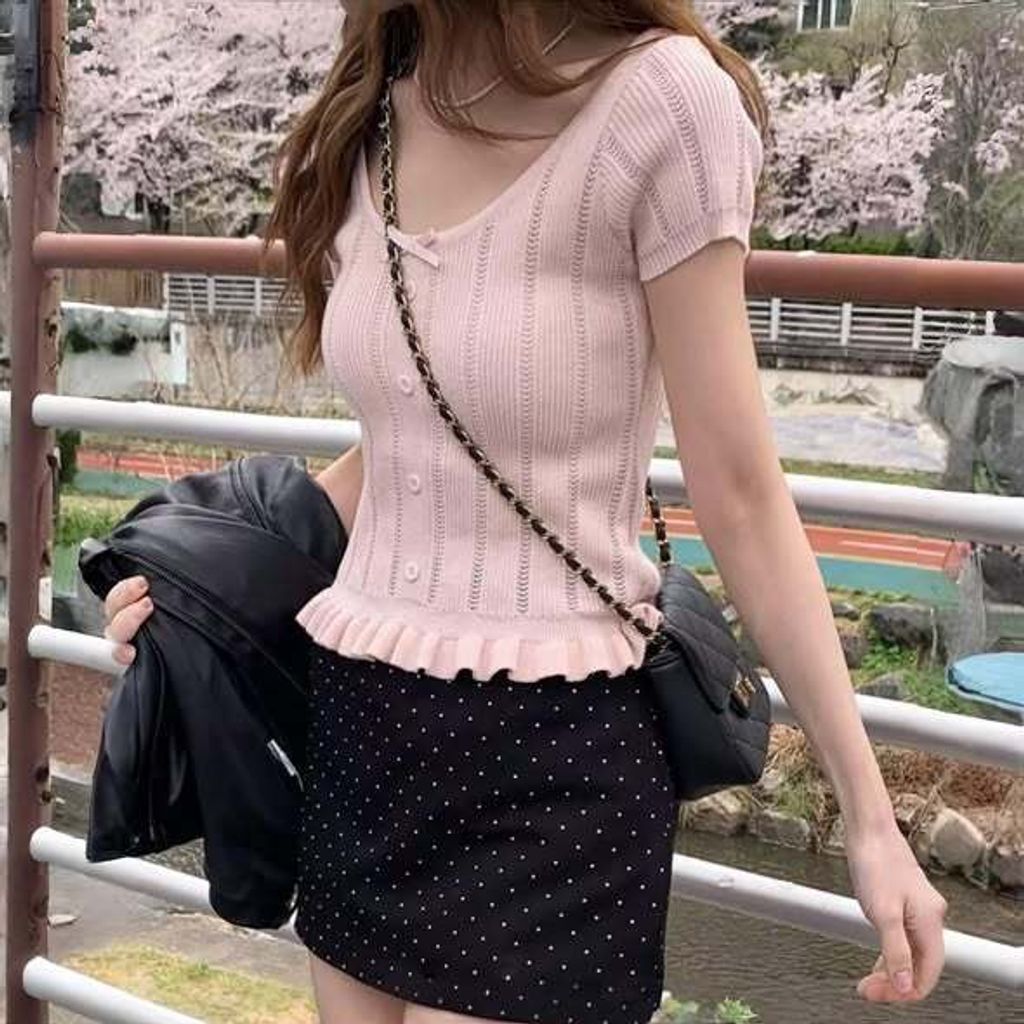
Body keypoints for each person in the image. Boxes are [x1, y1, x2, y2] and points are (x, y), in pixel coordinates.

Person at [102, 2, 949, 1022]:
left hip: (555, 750)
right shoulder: (371, 109)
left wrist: (868, 815)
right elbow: (409, 446)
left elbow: (741, 494)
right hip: (362, 735)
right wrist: (194, 591)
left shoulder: (664, 101)